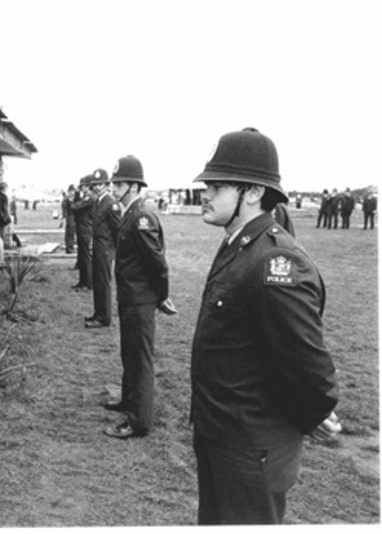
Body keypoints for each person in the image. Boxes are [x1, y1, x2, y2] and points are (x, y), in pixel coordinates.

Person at [191, 127, 340, 525]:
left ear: (253, 192)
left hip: (250, 448)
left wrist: (313, 412)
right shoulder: (240, 243)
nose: (204, 194)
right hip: (223, 436)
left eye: (216, 186)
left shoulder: (276, 262)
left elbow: (306, 362)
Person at [102, 155, 176, 440]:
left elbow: (157, 264)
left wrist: (162, 296)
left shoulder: (142, 217)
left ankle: (139, 421)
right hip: (131, 297)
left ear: (134, 185)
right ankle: (129, 400)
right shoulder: (130, 214)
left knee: (140, 360)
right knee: (129, 354)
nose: (114, 188)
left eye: (118, 183)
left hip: (140, 300)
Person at [85, 168, 117, 328]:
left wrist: (112, 250)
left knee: (103, 282)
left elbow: (117, 229)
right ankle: (98, 313)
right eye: (95, 184)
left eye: (100, 184)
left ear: (106, 184)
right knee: (97, 281)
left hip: (105, 249)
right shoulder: (99, 201)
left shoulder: (110, 203)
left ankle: (104, 317)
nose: (97, 187)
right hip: (98, 247)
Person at [71, 175, 94, 291]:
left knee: (85, 257)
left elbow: (75, 207)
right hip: (82, 228)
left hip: (86, 229)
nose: (81, 188)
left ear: (87, 186)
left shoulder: (90, 197)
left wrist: (74, 201)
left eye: (83, 186)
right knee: (82, 256)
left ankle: (87, 283)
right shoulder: (85, 196)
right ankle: (82, 282)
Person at [0, 181, 12, 248]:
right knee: (0, 233)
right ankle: (0, 247)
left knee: (1, 232)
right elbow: (0, 207)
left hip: (2, 216)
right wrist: (3, 216)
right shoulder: (0, 196)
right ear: (4, 188)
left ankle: (0, 246)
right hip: (1, 217)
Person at [61, 184, 77, 254]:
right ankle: (69, 248)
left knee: (71, 233)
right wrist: (65, 218)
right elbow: (65, 209)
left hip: (72, 217)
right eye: (72, 191)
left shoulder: (68, 198)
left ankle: (70, 247)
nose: (73, 193)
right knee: (70, 233)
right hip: (69, 217)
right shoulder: (67, 199)